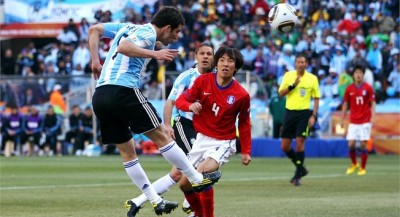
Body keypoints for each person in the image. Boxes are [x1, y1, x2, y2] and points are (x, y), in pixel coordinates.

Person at [88, 6, 220, 216]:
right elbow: (124, 47)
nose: (176, 37)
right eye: (176, 32)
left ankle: (155, 200)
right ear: (167, 27)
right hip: (124, 90)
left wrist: (95, 60)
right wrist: (155, 53)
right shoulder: (148, 33)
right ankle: (197, 178)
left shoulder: (127, 27)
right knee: (162, 136)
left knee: (128, 153)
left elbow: (94, 29)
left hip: (100, 95)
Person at [124, 42, 214, 217]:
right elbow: (170, 102)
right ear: (195, 56)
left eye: (209, 54)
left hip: (203, 130)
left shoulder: (216, 78)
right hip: (184, 124)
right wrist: (167, 125)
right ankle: (192, 205)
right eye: (202, 53)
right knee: (201, 164)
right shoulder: (187, 77)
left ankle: (137, 201)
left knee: (176, 174)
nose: (205, 57)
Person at [175, 46, 252, 217]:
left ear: (236, 67)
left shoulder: (242, 95)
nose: (225, 64)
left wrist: (246, 151)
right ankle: (199, 213)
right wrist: (189, 105)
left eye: (230, 61)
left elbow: (245, 123)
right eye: (222, 60)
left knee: (201, 174)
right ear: (216, 64)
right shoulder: (203, 81)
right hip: (202, 139)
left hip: (223, 141)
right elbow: (180, 101)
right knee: (184, 184)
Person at [278, 54, 321, 186]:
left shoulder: (312, 79)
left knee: (299, 143)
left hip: (303, 114)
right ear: (295, 63)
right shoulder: (288, 76)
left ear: (306, 64)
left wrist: (313, 115)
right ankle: (301, 169)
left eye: (303, 62)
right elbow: (281, 93)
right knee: (285, 146)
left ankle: (297, 176)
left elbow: (316, 98)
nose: (301, 64)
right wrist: (293, 85)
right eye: (298, 62)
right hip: (290, 113)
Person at [340, 65, 376, 176]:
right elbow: (345, 104)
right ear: (353, 75)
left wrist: (373, 116)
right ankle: (354, 164)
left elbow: (373, 102)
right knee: (350, 144)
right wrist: (342, 118)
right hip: (353, 121)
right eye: (356, 73)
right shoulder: (349, 89)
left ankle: (363, 168)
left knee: (363, 145)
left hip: (365, 120)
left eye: (360, 72)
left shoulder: (368, 88)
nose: (358, 75)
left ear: (363, 74)